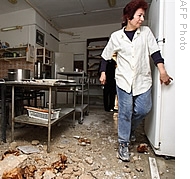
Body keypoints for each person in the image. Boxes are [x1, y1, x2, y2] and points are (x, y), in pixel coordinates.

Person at [99, 0, 173, 162]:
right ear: (128, 16)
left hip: (142, 80)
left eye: (143, 16)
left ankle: (130, 130)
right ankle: (123, 143)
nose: (142, 19)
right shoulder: (116, 37)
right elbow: (105, 57)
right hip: (124, 80)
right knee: (125, 113)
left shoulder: (145, 32)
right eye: (139, 15)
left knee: (144, 109)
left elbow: (155, 53)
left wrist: (163, 72)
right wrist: (103, 72)